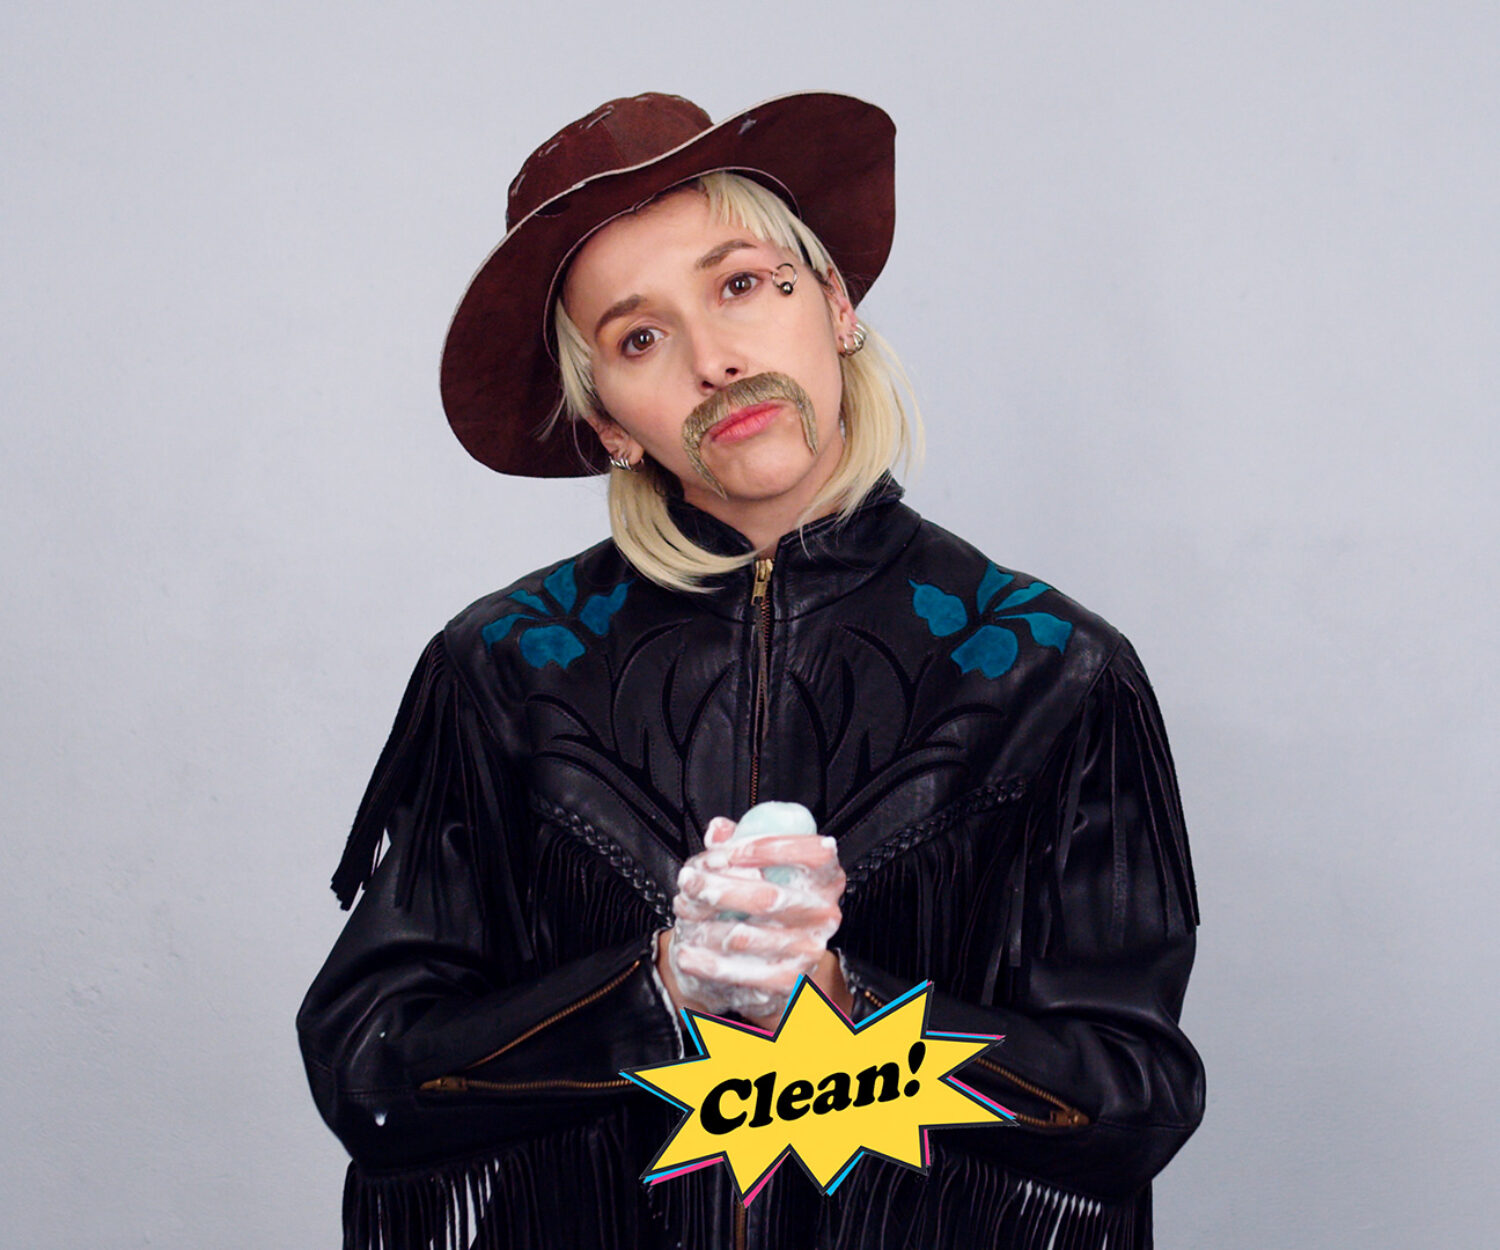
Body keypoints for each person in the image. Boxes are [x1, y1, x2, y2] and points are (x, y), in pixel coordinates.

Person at [297, 91, 1204, 1250]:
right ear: (607, 421)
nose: (714, 360)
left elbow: (1134, 1103)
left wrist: (849, 1008)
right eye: (639, 338)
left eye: (740, 284)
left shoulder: (1052, 670)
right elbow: (371, 1067)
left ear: (835, 305)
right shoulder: (504, 669)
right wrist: (659, 985)